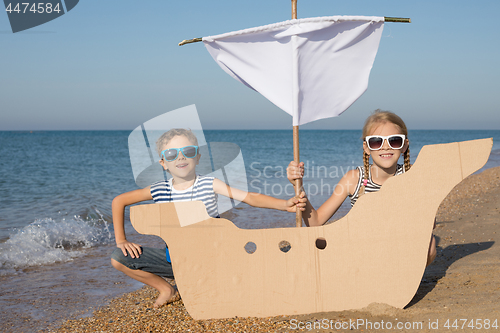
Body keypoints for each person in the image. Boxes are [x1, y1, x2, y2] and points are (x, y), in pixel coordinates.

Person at [111, 128, 306, 308]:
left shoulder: (209, 184)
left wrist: (283, 204)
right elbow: (119, 201)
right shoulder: (159, 190)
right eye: (171, 154)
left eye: (188, 151)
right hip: (177, 261)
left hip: (215, 258)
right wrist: (121, 240)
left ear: (197, 157)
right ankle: (167, 289)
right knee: (119, 259)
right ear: (163, 163)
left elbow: (249, 197)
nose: (180, 157)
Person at [287, 110, 436, 266]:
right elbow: (316, 221)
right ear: (366, 147)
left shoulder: (413, 175)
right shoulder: (353, 179)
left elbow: (428, 222)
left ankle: (404, 279)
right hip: (361, 249)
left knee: (429, 244)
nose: (385, 147)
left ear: (404, 145)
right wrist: (298, 185)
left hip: (398, 247)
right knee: (319, 243)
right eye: (377, 142)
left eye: (394, 141)